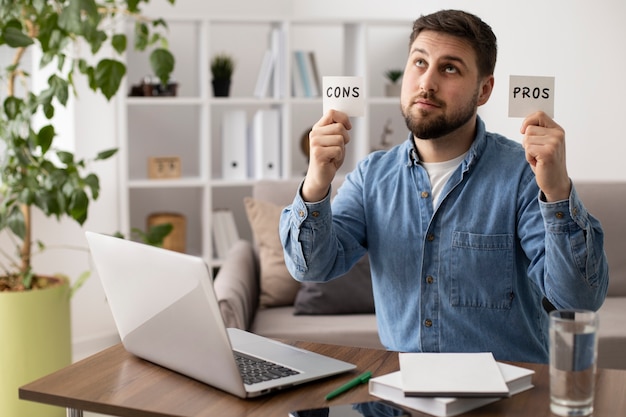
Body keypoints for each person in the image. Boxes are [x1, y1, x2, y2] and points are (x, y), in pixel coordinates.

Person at [279, 9, 609, 363]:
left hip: (508, 400)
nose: (427, 83)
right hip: (407, 396)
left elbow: (577, 300)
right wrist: (316, 181)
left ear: (484, 90)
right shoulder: (371, 176)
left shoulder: (523, 175)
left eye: (449, 68)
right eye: (419, 62)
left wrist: (558, 191)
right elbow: (311, 267)